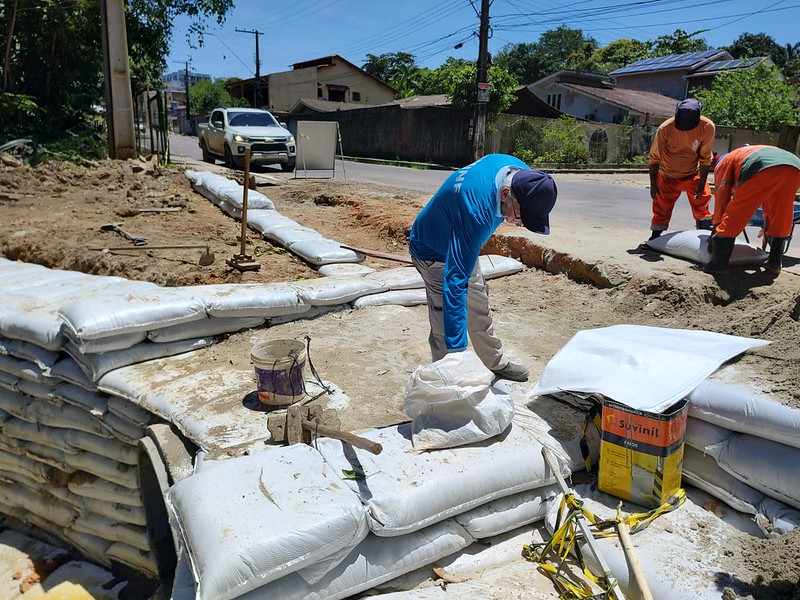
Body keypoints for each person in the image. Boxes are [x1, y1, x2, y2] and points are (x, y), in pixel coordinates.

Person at [409, 154, 557, 382]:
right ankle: (447, 376)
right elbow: (454, 281)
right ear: (505, 194)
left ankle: (494, 362)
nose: (520, 224)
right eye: (520, 217)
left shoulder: (522, 175)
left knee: (478, 302)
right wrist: (458, 354)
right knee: (444, 319)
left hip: (463, 241)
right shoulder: (477, 211)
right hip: (432, 249)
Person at [706, 144, 800, 275]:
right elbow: (769, 203)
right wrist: (767, 225)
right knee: (781, 212)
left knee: (737, 211)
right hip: (795, 167)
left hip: (761, 166)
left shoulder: (724, 163)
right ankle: (774, 263)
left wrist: (716, 229)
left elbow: (722, 198)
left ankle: (718, 264)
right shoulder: (745, 153)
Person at [647, 98, 716, 240]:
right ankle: (655, 237)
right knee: (662, 206)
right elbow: (655, 158)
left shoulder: (707, 127)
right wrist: (653, 185)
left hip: (694, 173)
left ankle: (704, 236)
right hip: (667, 175)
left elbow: (705, 157)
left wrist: (702, 183)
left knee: (702, 203)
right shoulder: (665, 128)